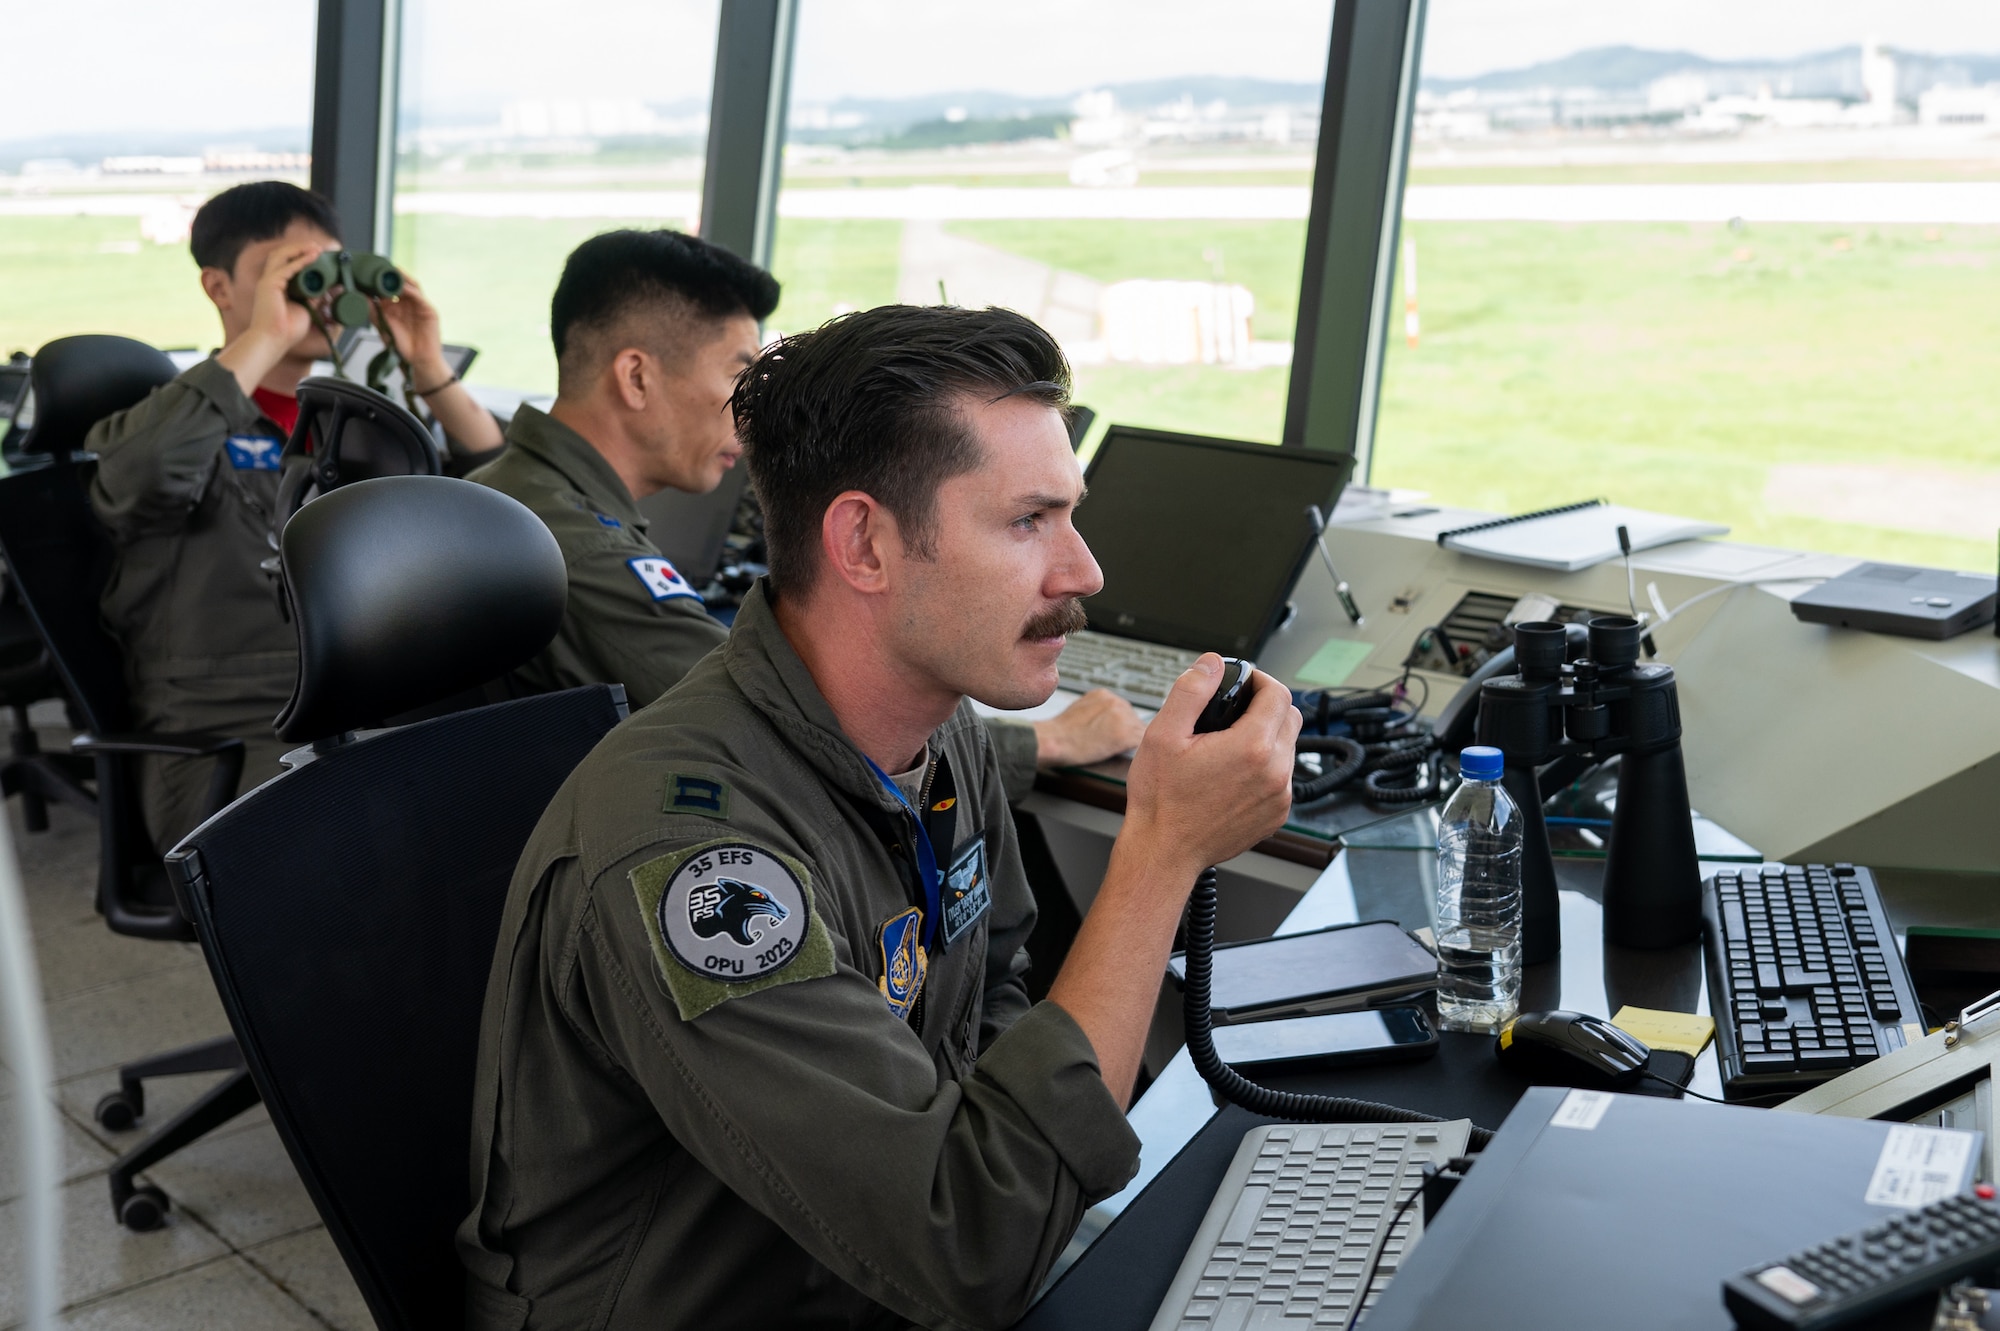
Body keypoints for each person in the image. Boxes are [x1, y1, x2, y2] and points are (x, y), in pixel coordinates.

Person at [458, 304, 1300, 1330]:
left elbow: (994, 974)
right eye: (1027, 520)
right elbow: (966, 1250)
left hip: (874, 1271)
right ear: (863, 541)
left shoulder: (939, 740)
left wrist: (995, 1155)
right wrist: (1161, 852)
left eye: (1068, 515)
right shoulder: (694, 859)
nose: (1083, 573)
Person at [470, 227, 1143, 800]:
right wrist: (1049, 740)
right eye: (737, 372)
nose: (745, 406)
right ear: (638, 376)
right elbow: (775, 713)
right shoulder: (575, 550)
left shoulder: (513, 495)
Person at [85, 180, 503, 848]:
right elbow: (143, 473)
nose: (323, 293)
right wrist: (267, 334)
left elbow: (499, 502)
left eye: (330, 270)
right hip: (237, 737)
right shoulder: (178, 424)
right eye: (292, 271)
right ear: (219, 288)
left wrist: (426, 364)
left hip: (372, 709)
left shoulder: (355, 422)